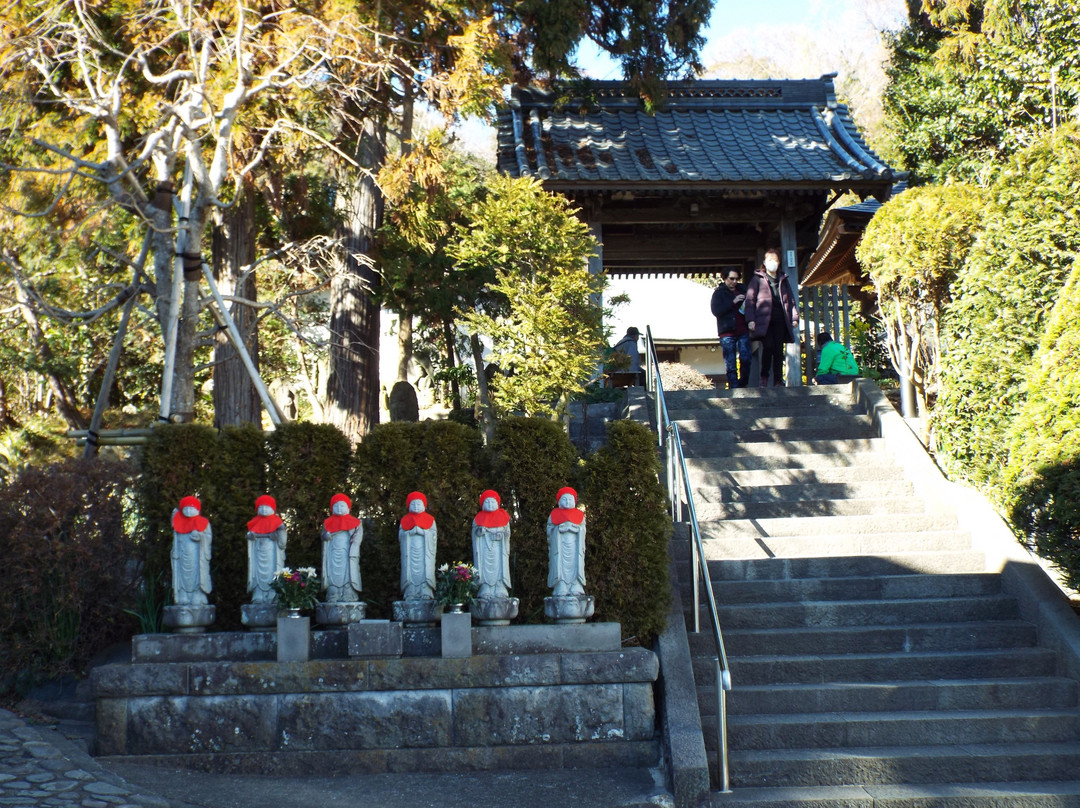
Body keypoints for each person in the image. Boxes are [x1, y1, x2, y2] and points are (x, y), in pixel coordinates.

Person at [743, 248, 799, 387]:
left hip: (781, 319)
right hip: (764, 321)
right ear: (764, 262)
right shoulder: (757, 279)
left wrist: (794, 317)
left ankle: (778, 380)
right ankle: (764, 375)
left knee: (779, 350)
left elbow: (790, 300)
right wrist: (750, 320)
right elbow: (750, 300)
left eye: (775, 260)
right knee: (768, 347)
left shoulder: (783, 279)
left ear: (779, 262)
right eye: (769, 260)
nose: (772, 263)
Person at [710, 268, 751, 388]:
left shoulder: (743, 289)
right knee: (730, 363)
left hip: (743, 329)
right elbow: (716, 311)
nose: (734, 281)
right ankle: (734, 388)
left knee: (746, 359)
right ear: (724, 278)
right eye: (731, 279)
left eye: (736, 279)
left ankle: (743, 384)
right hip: (727, 331)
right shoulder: (719, 293)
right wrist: (733, 302)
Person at [170, 496, 212, 607]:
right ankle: (183, 594)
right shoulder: (178, 523)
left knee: (197, 574)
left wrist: (200, 537)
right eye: (186, 508)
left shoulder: (204, 523)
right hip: (182, 556)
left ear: (198, 509)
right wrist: (175, 551)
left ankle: (197, 594)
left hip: (197, 557)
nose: (188, 511)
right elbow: (176, 540)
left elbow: (208, 537)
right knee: (182, 576)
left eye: (191, 508)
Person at [321, 493, 363, 603]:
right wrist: (326, 536)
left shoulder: (355, 523)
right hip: (333, 552)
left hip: (347, 552)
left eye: (342, 506)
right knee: (333, 572)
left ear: (348, 508)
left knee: (348, 572)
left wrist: (353, 539)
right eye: (336, 506)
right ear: (331, 508)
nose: (339, 509)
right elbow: (323, 536)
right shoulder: (327, 523)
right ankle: (333, 592)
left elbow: (358, 537)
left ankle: (348, 592)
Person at [246, 494, 287, 604]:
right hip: (258, 554)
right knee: (258, 573)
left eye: (267, 507)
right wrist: (251, 537)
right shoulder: (254, 522)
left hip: (272, 554)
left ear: (273, 508)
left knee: (272, 573)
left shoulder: (278, 523)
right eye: (261, 507)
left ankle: (273, 594)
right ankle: (258, 594)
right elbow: (250, 535)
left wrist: (280, 533)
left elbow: (282, 544)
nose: (264, 509)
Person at [471, 490, 512, 600]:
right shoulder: (478, 519)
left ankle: (499, 586)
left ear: (498, 503)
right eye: (487, 502)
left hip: (498, 549)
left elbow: (507, 533)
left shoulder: (504, 517)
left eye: (492, 502)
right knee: (484, 567)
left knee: (499, 567)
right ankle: (485, 587)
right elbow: (475, 535)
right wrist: (479, 532)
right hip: (484, 549)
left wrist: (502, 535)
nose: (490, 505)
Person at [547, 487, 586, 598]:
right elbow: (549, 531)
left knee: (576, 564)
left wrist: (577, 529)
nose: (567, 502)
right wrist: (558, 530)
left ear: (575, 501)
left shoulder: (580, 515)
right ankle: (561, 585)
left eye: (570, 499)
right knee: (559, 565)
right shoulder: (554, 515)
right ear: (559, 502)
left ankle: (576, 585)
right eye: (564, 499)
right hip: (560, 547)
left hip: (575, 547)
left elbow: (583, 529)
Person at [398, 491, 437, 601]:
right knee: (409, 570)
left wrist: (423, 532)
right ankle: (410, 591)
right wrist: (408, 533)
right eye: (413, 504)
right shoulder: (404, 520)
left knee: (425, 570)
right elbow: (401, 536)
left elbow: (433, 535)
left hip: (424, 552)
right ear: (408, 506)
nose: (416, 506)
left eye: (418, 504)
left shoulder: (430, 520)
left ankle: (425, 590)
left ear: (424, 506)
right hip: (409, 552)